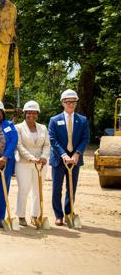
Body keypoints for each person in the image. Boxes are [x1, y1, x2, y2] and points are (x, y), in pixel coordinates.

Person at [48, 89, 90, 226]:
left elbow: (85, 138)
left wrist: (77, 154)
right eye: (68, 102)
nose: (71, 104)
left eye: (73, 102)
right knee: (56, 188)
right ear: (63, 103)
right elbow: (53, 139)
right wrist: (64, 154)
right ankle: (58, 215)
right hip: (59, 159)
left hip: (75, 159)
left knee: (71, 188)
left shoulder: (82, 120)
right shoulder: (54, 120)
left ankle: (68, 213)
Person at [15, 100, 50, 226]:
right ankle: (21, 215)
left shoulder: (43, 128)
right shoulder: (18, 127)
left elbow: (47, 145)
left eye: (34, 113)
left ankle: (35, 215)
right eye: (29, 113)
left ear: (37, 114)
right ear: (25, 114)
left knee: (38, 190)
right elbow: (19, 145)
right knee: (23, 189)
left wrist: (44, 157)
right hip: (23, 163)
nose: (31, 115)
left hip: (41, 164)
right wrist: (30, 157)